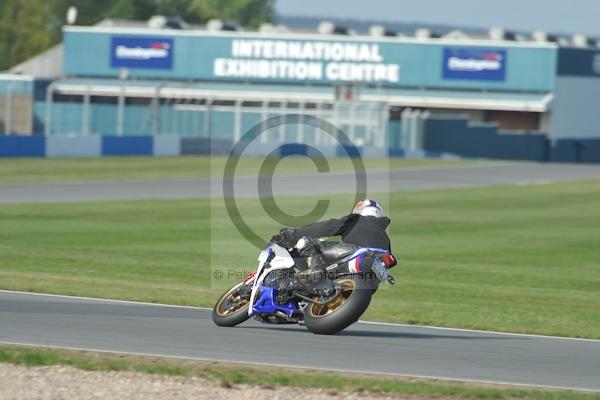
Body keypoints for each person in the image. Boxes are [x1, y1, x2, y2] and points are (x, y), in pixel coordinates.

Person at [271, 199, 395, 274]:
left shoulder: (356, 219)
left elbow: (327, 227)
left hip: (355, 253)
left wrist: (293, 234)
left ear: (360, 209)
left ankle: (316, 269)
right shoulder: (384, 236)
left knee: (307, 241)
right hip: (370, 275)